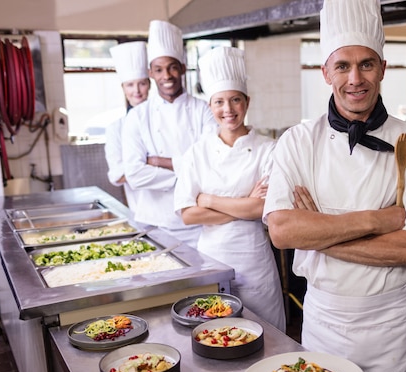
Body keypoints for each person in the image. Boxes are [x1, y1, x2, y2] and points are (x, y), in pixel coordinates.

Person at [262, 0, 406, 372]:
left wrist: (318, 234)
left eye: (367, 65)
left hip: (391, 327)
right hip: (323, 323)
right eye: (343, 66)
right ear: (325, 72)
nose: (355, 79)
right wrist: (379, 220)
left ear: (383, 69)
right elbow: (282, 231)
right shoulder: (298, 141)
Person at [174, 46, 286, 332]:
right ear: (210, 106)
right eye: (220, 102)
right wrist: (243, 204)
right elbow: (188, 214)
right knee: (216, 334)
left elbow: (262, 208)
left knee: (268, 335)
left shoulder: (268, 149)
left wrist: (208, 199)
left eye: (235, 100)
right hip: (211, 258)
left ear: (246, 102)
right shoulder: (196, 153)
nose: (228, 110)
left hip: (255, 261)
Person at [122, 20, 217, 248]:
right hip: (155, 222)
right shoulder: (137, 116)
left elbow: (210, 162)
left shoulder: (204, 109)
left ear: (183, 68)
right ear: (150, 73)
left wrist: (157, 162)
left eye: (172, 67)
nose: (167, 75)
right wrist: (186, 174)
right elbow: (134, 174)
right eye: (159, 69)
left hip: (198, 223)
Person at [104, 41, 151, 215]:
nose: (137, 90)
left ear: (150, 84)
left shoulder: (165, 120)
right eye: (130, 85)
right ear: (123, 88)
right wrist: (156, 162)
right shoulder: (116, 128)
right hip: (141, 209)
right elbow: (117, 175)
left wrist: (138, 166)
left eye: (142, 83)